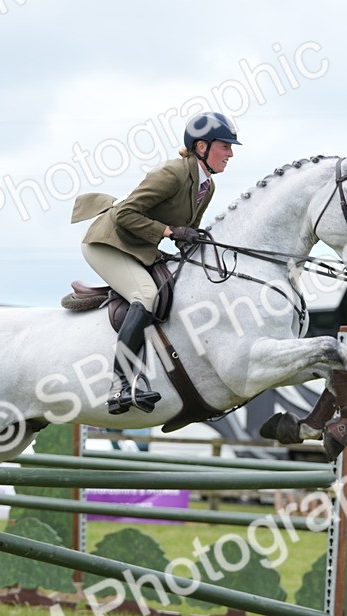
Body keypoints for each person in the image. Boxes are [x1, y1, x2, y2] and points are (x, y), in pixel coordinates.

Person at [72, 112, 240, 415]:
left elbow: (185, 233)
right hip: (108, 242)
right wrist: (169, 232)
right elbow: (125, 214)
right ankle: (120, 382)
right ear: (202, 147)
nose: (231, 153)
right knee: (146, 296)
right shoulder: (172, 173)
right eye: (225, 146)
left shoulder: (207, 186)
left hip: (140, 247)